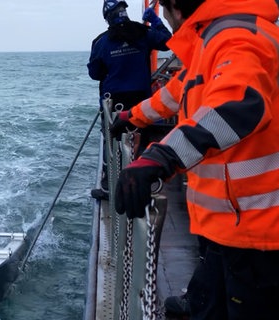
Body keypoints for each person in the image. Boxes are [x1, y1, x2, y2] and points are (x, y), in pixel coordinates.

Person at [111, 0, 279, 318]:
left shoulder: (236, 36)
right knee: (206, 301)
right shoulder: (214, 37)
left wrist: (160, 157)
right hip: (230, 221)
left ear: (175, 5)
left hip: (258, 232)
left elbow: (239, 104)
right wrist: (134, 116)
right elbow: (179, 90)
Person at [87, 0, 171, 200]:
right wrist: (156, 21)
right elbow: (168, 41)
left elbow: (95, 73)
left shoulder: (101, 42)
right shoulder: (143, 33)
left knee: (113, 142)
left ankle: (109, 188)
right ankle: (144, 183)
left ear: (107, 17)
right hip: (141, 101)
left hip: (114, 102)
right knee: (140, 139)